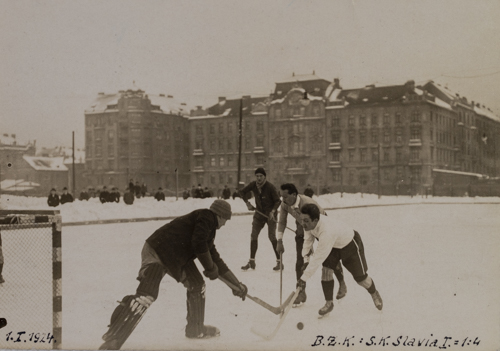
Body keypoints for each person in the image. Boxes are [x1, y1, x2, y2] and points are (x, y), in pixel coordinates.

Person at [98, 200, 247, 350]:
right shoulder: (206, 217)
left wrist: (236, 284)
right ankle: (114, 338)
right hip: (157, 250)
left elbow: (215, 259)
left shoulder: (208, 229)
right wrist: (209, 267)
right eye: (226, 219)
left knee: (197, 284)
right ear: (220, 215)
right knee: (147, 294)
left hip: (176, 255)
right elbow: (199, 243)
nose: (225, 224)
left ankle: (196, 329)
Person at [296, 203, 383, 317]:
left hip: (349, 245)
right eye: (302, 220)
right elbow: (307, 241)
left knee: (361, 279)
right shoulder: (309, 224)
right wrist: (306, 259)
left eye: (306, 221)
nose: (303, 224)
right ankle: (329, 303)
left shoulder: (326, 231)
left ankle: (374, 293)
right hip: (334, 246)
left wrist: (303, 278)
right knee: (326, 271)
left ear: (316, 220)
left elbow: (318, 257)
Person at [276, 183, 347, 307]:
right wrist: (279, 241)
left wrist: (313, 239)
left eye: (285, 197)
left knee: (330, 257)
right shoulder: (285, 204)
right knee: (300, 261)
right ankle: (301, 293)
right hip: (302, 227)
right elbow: (282, 221)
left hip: (320, 226)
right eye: (281, 196)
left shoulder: (308, 202)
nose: (283, 200)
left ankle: (342, 283)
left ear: (294, 195)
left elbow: (319, 221)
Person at [238, 168, 282, 271]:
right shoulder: (254, 185)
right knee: (253, 235)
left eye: (260, 176)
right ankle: (251, 261)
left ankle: (279, 262)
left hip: (270, 215)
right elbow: (241, 192)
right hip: (259, 214)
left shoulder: (270, 187)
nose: (258, 178)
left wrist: (272, 211)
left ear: (264, 177)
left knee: (271, 236)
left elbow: (278, 201)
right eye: (257, 176)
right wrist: (247, 203)